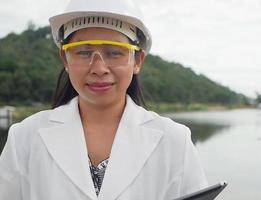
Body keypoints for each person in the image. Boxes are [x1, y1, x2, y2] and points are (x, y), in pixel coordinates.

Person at [0, 0, 208, 199]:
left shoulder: (175, 141)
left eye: (114, 53)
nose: (99, 69)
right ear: (65, 58)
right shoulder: (24, 138)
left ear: (137, 60)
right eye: (83, 52)